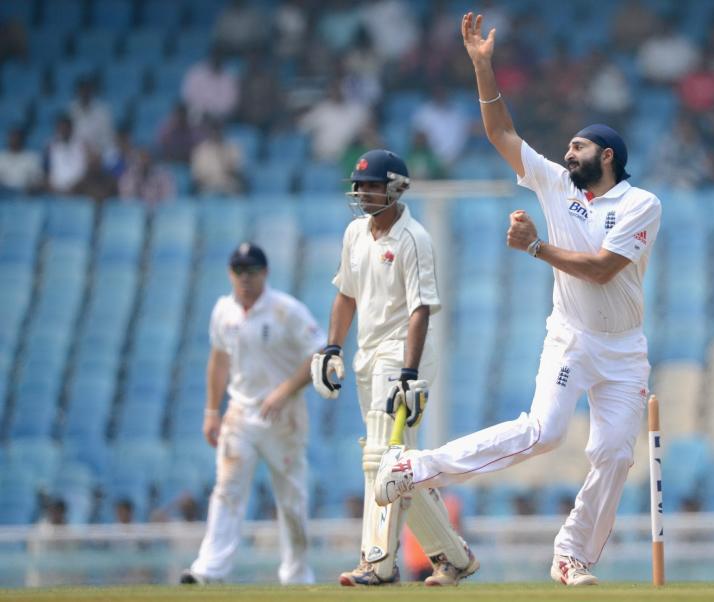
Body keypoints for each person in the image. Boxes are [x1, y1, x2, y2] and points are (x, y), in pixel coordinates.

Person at [374, 13, 662, 588]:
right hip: (572, 337)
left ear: (607, 155)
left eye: (578, 146)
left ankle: (571, 554)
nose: (567, 151)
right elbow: (501, 134)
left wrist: (536, 248)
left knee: (614, 456)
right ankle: (414, 467)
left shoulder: (640, 204)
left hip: (624, 348)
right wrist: (483, 67)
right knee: (544, 432)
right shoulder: (557, 183)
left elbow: (605, 270)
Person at [310, 149, 478, 586]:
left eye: (372, 185)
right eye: (359, 185)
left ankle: (377, 563)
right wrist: (331, 347)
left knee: (380, 459)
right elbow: (346, 295)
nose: (363, 192)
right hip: (368, 354)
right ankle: (455, 557)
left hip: (403, 353)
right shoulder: (354, 234)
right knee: (396, 465)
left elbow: (421, 308)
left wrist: (409, 373)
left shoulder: (413, 238)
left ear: (396, 188)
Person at [180, 243, 323, 586]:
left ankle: (296, 575)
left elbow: (319, 355)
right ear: (231, 274)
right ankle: (209, 570)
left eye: (252, 271)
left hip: (284, 418)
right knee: (227, 490)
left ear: (265, 273)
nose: (245, 278)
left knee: (291, 498)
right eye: (239, 271)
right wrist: (212, 412)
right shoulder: (223, 311)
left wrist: (283, 391)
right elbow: (218, 362)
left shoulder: (286, 310)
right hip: (240, 415)